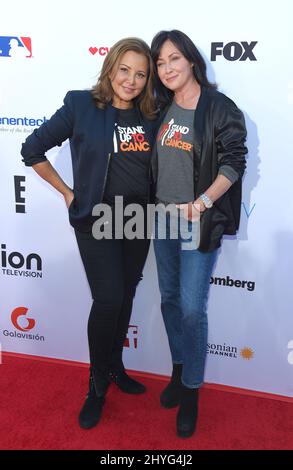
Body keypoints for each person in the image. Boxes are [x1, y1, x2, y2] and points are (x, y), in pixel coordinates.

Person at [21, 37, 157, 430]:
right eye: (125, 70)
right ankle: (96, 386)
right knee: (108, 297)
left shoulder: (152, 115)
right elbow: (32, 150)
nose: (130, 80)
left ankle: (115, 367)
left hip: (138, 219)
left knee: (126, 293)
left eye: (140, 74)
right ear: (110, 67)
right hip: (96, 219)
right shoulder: (81, 105)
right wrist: (67, 192)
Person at [150, 30, 247, 438]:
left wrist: (201, 204)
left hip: (196, 221)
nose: (167, 68)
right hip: (160, 220)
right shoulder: (159, 109)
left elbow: (234, 161)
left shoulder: (218, 108)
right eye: (160, 63)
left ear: (191, 60)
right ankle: (177, 370)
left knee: (192, 307)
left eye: (174, 59)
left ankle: (191, 389)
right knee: (170, 300)